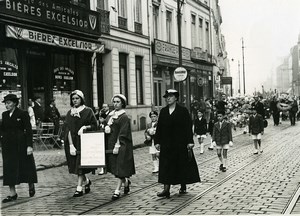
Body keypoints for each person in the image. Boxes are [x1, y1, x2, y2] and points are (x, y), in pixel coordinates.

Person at [154, 89, 200, 198]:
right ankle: (166, 189)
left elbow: (188, 127)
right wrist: (157, 141)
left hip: (180, 143)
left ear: (176, 98)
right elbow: (159, 127)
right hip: (166, 144)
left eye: (170, 96)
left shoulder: (183, 111)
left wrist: (190, 141)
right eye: (166, 97)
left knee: (181, 164)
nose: (168, 98)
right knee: (166, 165)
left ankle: (183, 185)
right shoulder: (164, 111)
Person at [1, 94, 38, 203]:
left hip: (21, 145)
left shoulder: (23, 114)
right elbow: (3, 129)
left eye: (9, 103)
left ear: (15, 103)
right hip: (8, 146)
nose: (7, 105)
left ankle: (30, 183)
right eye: (5, 103)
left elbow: (28, 130)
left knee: (26, 166)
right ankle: (12, 193)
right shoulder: (4, 115)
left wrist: (29, 145)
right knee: (9, 168)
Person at [64, 90, 98, 197]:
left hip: (84, 141)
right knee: (75, 165)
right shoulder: (70, 113)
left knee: (80, 164)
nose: (75, 101)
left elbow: (95, 125)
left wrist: (85, 127)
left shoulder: (88, 111)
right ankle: (86, 181)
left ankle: (79, 188)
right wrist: (70, 145)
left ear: (81, 99)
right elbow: (67, 129)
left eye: (77, 98)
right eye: (73, 99)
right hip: (72, 142)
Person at [104, 94, 135, 200]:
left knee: (120, 166)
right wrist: (105, 127)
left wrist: (118, 144)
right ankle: (126, 181)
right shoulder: (110, 115)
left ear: (122, 103)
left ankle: (117, 190)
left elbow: (123, 132)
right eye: (114, 102)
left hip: (122, 145)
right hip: (111, 144)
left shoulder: (124, 117)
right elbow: (104, 124)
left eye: (118, 102)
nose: (115, 104)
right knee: (115, 167)